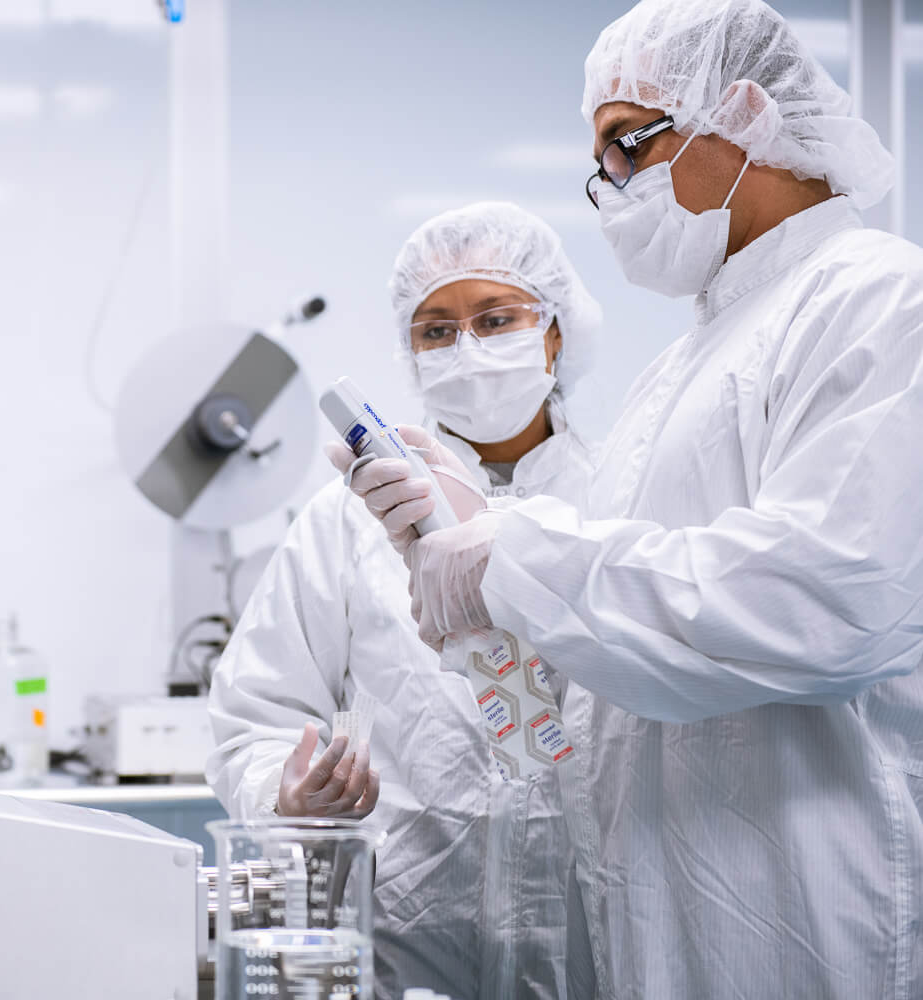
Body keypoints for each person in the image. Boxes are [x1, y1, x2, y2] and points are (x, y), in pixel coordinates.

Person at [334, 1, 923, 996]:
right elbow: (586, 708)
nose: (609, 188)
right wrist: (469, 599)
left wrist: (509, 554)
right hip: (650, 930)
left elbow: (836, 598)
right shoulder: (681, 369)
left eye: (624, 144)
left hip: (803, 925)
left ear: (741, 112)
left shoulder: (873, 297)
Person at [208, 201, 601, 1000]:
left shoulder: (621, 500)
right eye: (436, 331)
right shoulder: (347, 521)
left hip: (591, 948)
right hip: (405, 946)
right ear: (411, 355)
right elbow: (255, 712)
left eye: (496, 319)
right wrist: (285, 792)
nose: (468, 350)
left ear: (554, 333)